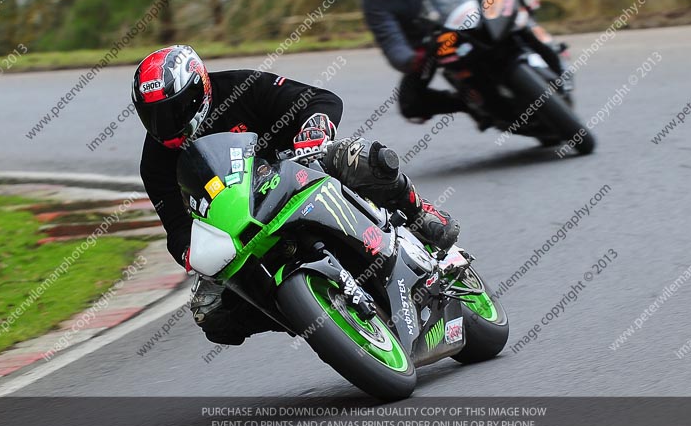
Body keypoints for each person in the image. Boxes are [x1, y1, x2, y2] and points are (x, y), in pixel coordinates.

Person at [133, 45, 459, 345]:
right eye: (154, 117)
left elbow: (319, 99)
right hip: (241, 226)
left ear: (198, 91)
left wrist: (313, 129)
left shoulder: (239, 88)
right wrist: (191, 254)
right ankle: (313, 316)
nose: (166, 125)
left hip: (298, 173)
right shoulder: (155, 164)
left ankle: (421, 214)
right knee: (213, 316)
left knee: (360, 157)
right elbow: (176, 226)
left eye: (174, 111)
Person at [358, 0, 568, 126]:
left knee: (515, 5)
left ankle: (552, 52)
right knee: (410, 103)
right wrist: (408, 59)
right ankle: (470, 102)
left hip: (466, 12)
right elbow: (388, 37)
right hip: (431, 46)